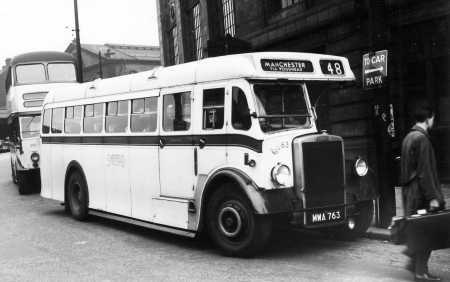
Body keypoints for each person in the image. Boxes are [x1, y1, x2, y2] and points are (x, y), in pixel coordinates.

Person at [400, 102, 445, 282]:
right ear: (429, 118)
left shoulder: (408, 138)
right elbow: (425, 172)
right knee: (427, 232)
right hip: (421, 195)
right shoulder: (422, 139)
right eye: (433, 118)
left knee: (418, 231)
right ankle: (420, 273)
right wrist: (433, 197)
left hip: (410, 194)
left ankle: (414, 263)